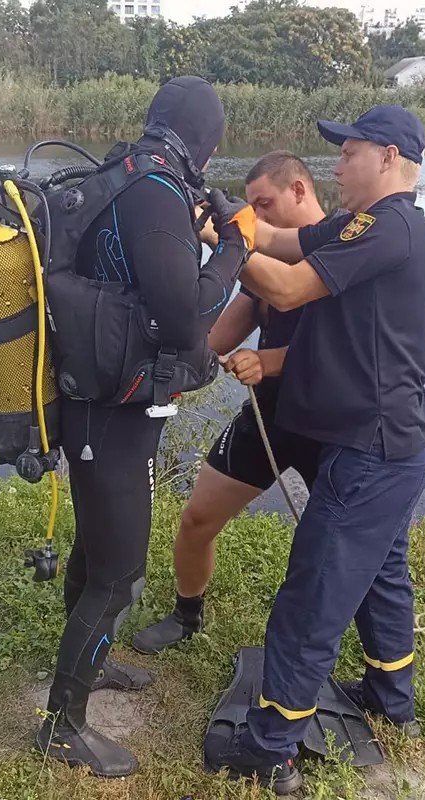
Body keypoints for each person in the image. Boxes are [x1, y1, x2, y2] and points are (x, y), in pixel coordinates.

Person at [202, 105, 425, 794]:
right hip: (390, 444)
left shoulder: (391, 229)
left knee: (314, 592)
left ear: (388, 157)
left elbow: (286, 283)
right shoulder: (361, 224)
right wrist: (231, 224)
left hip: (374, 452)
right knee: (382, 575)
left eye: (350, 152)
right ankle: (392, 700)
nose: (337, 165)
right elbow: (281, 240)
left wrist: (227, 252)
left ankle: (271, 742)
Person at [34, 76, 253, 778]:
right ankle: (63, 727)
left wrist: (197, 234)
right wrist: (234, 249)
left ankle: (87, 674)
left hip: (101, 403)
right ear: (206, 144)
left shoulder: (125, 176)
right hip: (110, 413)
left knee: (99, 550)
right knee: (122, 576)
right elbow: (185, 313)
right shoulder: (155, 190)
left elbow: (139, 277)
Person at [132, 151, 328, 655]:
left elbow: (340, 353)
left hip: (331, 425)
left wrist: (268, 360)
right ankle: (186, 614)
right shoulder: (267, 267)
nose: (257, 220)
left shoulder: (343, 249)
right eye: (251, 210)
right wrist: (161, 363)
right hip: (268, 416)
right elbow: (218, 335)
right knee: (198, 519)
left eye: (265, 205)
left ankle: (350, 644)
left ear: (300, 190)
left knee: (339, 546)